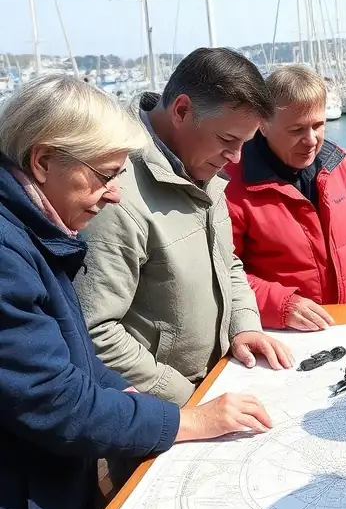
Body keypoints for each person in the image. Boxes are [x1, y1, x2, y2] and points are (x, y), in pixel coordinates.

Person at [0, 76, 274, 509]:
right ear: (44, 159)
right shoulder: (8, 254)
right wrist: (182, 417)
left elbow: (72, 359)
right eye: (104, 176)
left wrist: (117, 394)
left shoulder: (33, 233)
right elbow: (54, 399)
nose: (115, 194)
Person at [75, 47, 292, 412]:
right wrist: (187, 401)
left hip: (220, 389)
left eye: (244, 144)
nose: (236, 158)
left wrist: (245, 326)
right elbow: (94, 331)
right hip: (165, 415)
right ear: (181, 110)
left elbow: (228, 263)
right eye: (228, 140)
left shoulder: (201, 166)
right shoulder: (115, 190)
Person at [226, 64, 346, 330]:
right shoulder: (234, 187)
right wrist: (281, 305)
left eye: (318, 125)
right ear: (262, 125)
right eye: (296, 130)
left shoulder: (337, 164)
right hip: (284, 336)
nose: (311, 140)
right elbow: (222, 273)